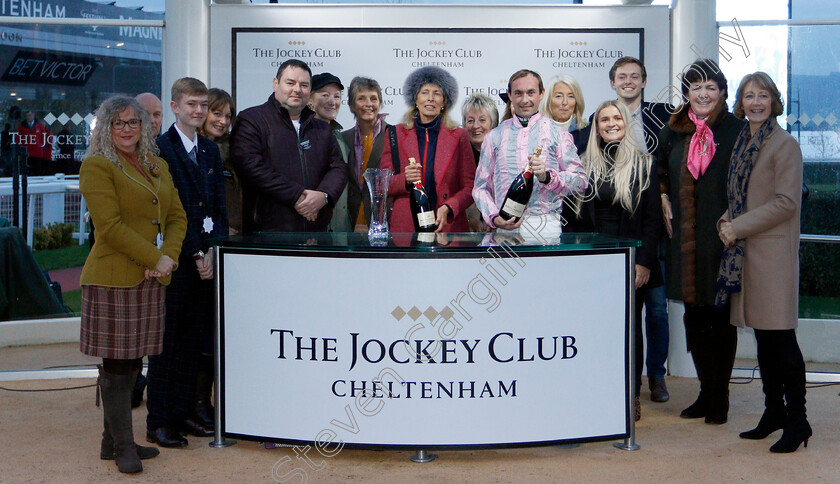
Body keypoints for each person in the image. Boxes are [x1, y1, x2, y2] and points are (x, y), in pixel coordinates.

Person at [79, 95, 187, 473]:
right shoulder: (97, 166)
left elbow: (176, 216)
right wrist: (153, 258)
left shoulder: (156, 164)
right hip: (113, 278)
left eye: (133, 122)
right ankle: (123, 444)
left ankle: (112, 442)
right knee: (117, 364)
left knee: (133, 359)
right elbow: (108, 228)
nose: (127, 129)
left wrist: (168, 257)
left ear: (144, 127)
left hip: (151, 275)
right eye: (118, 123)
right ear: (106, 129)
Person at [717, 72, 810, 452]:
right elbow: (743, 196)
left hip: (771, 255)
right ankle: (774, 412)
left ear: (774, 101)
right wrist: (725, 219)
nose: (755, 102)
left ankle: (799, 420)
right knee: (765, 341)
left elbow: (787, 202)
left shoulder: (784, 144)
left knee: (782, 340)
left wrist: (736, 227)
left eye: (763, 95)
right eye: (748, 96)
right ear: (740, 103)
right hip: (747, 254)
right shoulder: (744, 141)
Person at [657, 59, 746, 424]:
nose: (703, 93)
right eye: (696, 87)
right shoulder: (675, 129)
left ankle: (719, 396)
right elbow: (659, 171)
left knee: (720, 319)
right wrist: (663, 195)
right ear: (687, 94)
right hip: (685, 243)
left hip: (723, 240)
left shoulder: (738, 130)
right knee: (694, 318)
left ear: (723, 92)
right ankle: (704, 391)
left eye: (711, 86)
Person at [146, 78, 228, 449]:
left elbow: (219, 209)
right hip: (177, 262)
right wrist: (196, 253)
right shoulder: (160, 149)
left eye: (202, 105)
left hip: (208, 261)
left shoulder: (211, 151)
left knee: (196, 343)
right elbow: (171, 211)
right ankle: (159, 421)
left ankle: (184, 413)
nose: (198, 111)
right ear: (175, 106)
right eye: (190, 104)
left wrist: (214, 250)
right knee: (169, 344)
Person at [568, 100, 662, 421]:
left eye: (616, 118)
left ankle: (631, 395)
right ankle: (596, 390)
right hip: (592, 263)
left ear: (626, 123)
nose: (610, 123)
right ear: (595, 126)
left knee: (629, 330)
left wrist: (644, 262)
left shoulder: (644, 164)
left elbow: (652, 221)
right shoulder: (581, 165)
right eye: (604, 119)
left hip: (630, 262)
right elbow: (572, 219)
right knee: (593, 329)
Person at [608, 56, 672, 404]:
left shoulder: (665, 114)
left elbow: (675, 163)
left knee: (658, 310)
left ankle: (657, 376)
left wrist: (663, 193)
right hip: (620, 231)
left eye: (635, 76)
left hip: (653, 229)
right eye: (622, 77)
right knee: (627, 314)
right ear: (613, 83)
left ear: (644, 82)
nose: (628, 81)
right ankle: (627, 381)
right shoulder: (602, 118)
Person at [230, 59, 347, 233]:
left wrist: (323, 196)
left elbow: (338, 168)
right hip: (266, 235)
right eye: (290, 83)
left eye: (304, 85)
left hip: (317, 235)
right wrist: (298, 196)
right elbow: (251, 167)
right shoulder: (252, 120)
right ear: (275, 83)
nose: (297, 90)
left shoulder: (321, 128)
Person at [473, 69, 587, 237]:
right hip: (506, 227)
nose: (525, 100)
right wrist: (494, 217)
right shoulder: (494, 137)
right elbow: (480, 188)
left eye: (531, 93)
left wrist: (548, 177)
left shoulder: (558, 133)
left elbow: (581, 181)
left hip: (545, 226)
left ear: (541, 94)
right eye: (518, 93)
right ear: (510, 95)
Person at [380, 66, 475, 233]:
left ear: (445, 102)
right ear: (415, 99)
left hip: (448, 227)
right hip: (407, 229)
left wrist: (449, 207)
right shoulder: (395, 134)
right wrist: (405, 179)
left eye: (437, 93)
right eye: (424, 92)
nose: (430, 98)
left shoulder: (460, 136)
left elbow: (470, 186)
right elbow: (382, 184)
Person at [340, 76, 391, 233]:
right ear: (351, 105)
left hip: (383, 224)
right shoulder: (342, 139)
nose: (368, 104)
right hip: (349, 224)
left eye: (373, 99)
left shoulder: (394, 135)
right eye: (361, 98)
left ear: (380, 103)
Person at [307, 73, 353, 232]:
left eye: (337, 96)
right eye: (325, 95)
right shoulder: (301, 135)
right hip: (313, 229)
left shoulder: (340, 138)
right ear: (310, 99)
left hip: (341, 232)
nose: (332, 102)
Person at [198, 88, 240, 235]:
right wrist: (218, 229)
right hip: (204, 237)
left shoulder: (233, 150)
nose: (223, 121)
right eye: (217, 114)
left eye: (228, 116)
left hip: (234, 236)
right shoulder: (191, 150)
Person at [462, 93, 499, 232]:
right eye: (470, 121)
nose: (476, 126)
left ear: (493, 124)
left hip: (500, 228)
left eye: (482, 120)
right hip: (465, 232)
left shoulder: (503, 154)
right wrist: (471, 220)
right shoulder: (459, 155)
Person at [539, 75, 589, 154]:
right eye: (559, 96)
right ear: (548, 100)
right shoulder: (536, 131)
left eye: (571, 96)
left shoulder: (587, 133)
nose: (565, 102)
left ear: (577, 101)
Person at [17, 110, 53, 176]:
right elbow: (18, 137)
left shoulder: (39, 125)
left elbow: (44, 137)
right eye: (27, 116)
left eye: (29, 115)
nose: (28, 117)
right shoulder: (22, 126)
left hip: (37, 153)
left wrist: (40, 145)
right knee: (26, 172)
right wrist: (22, 146)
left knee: (37, 171)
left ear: (33, 116)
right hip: (27, 153)